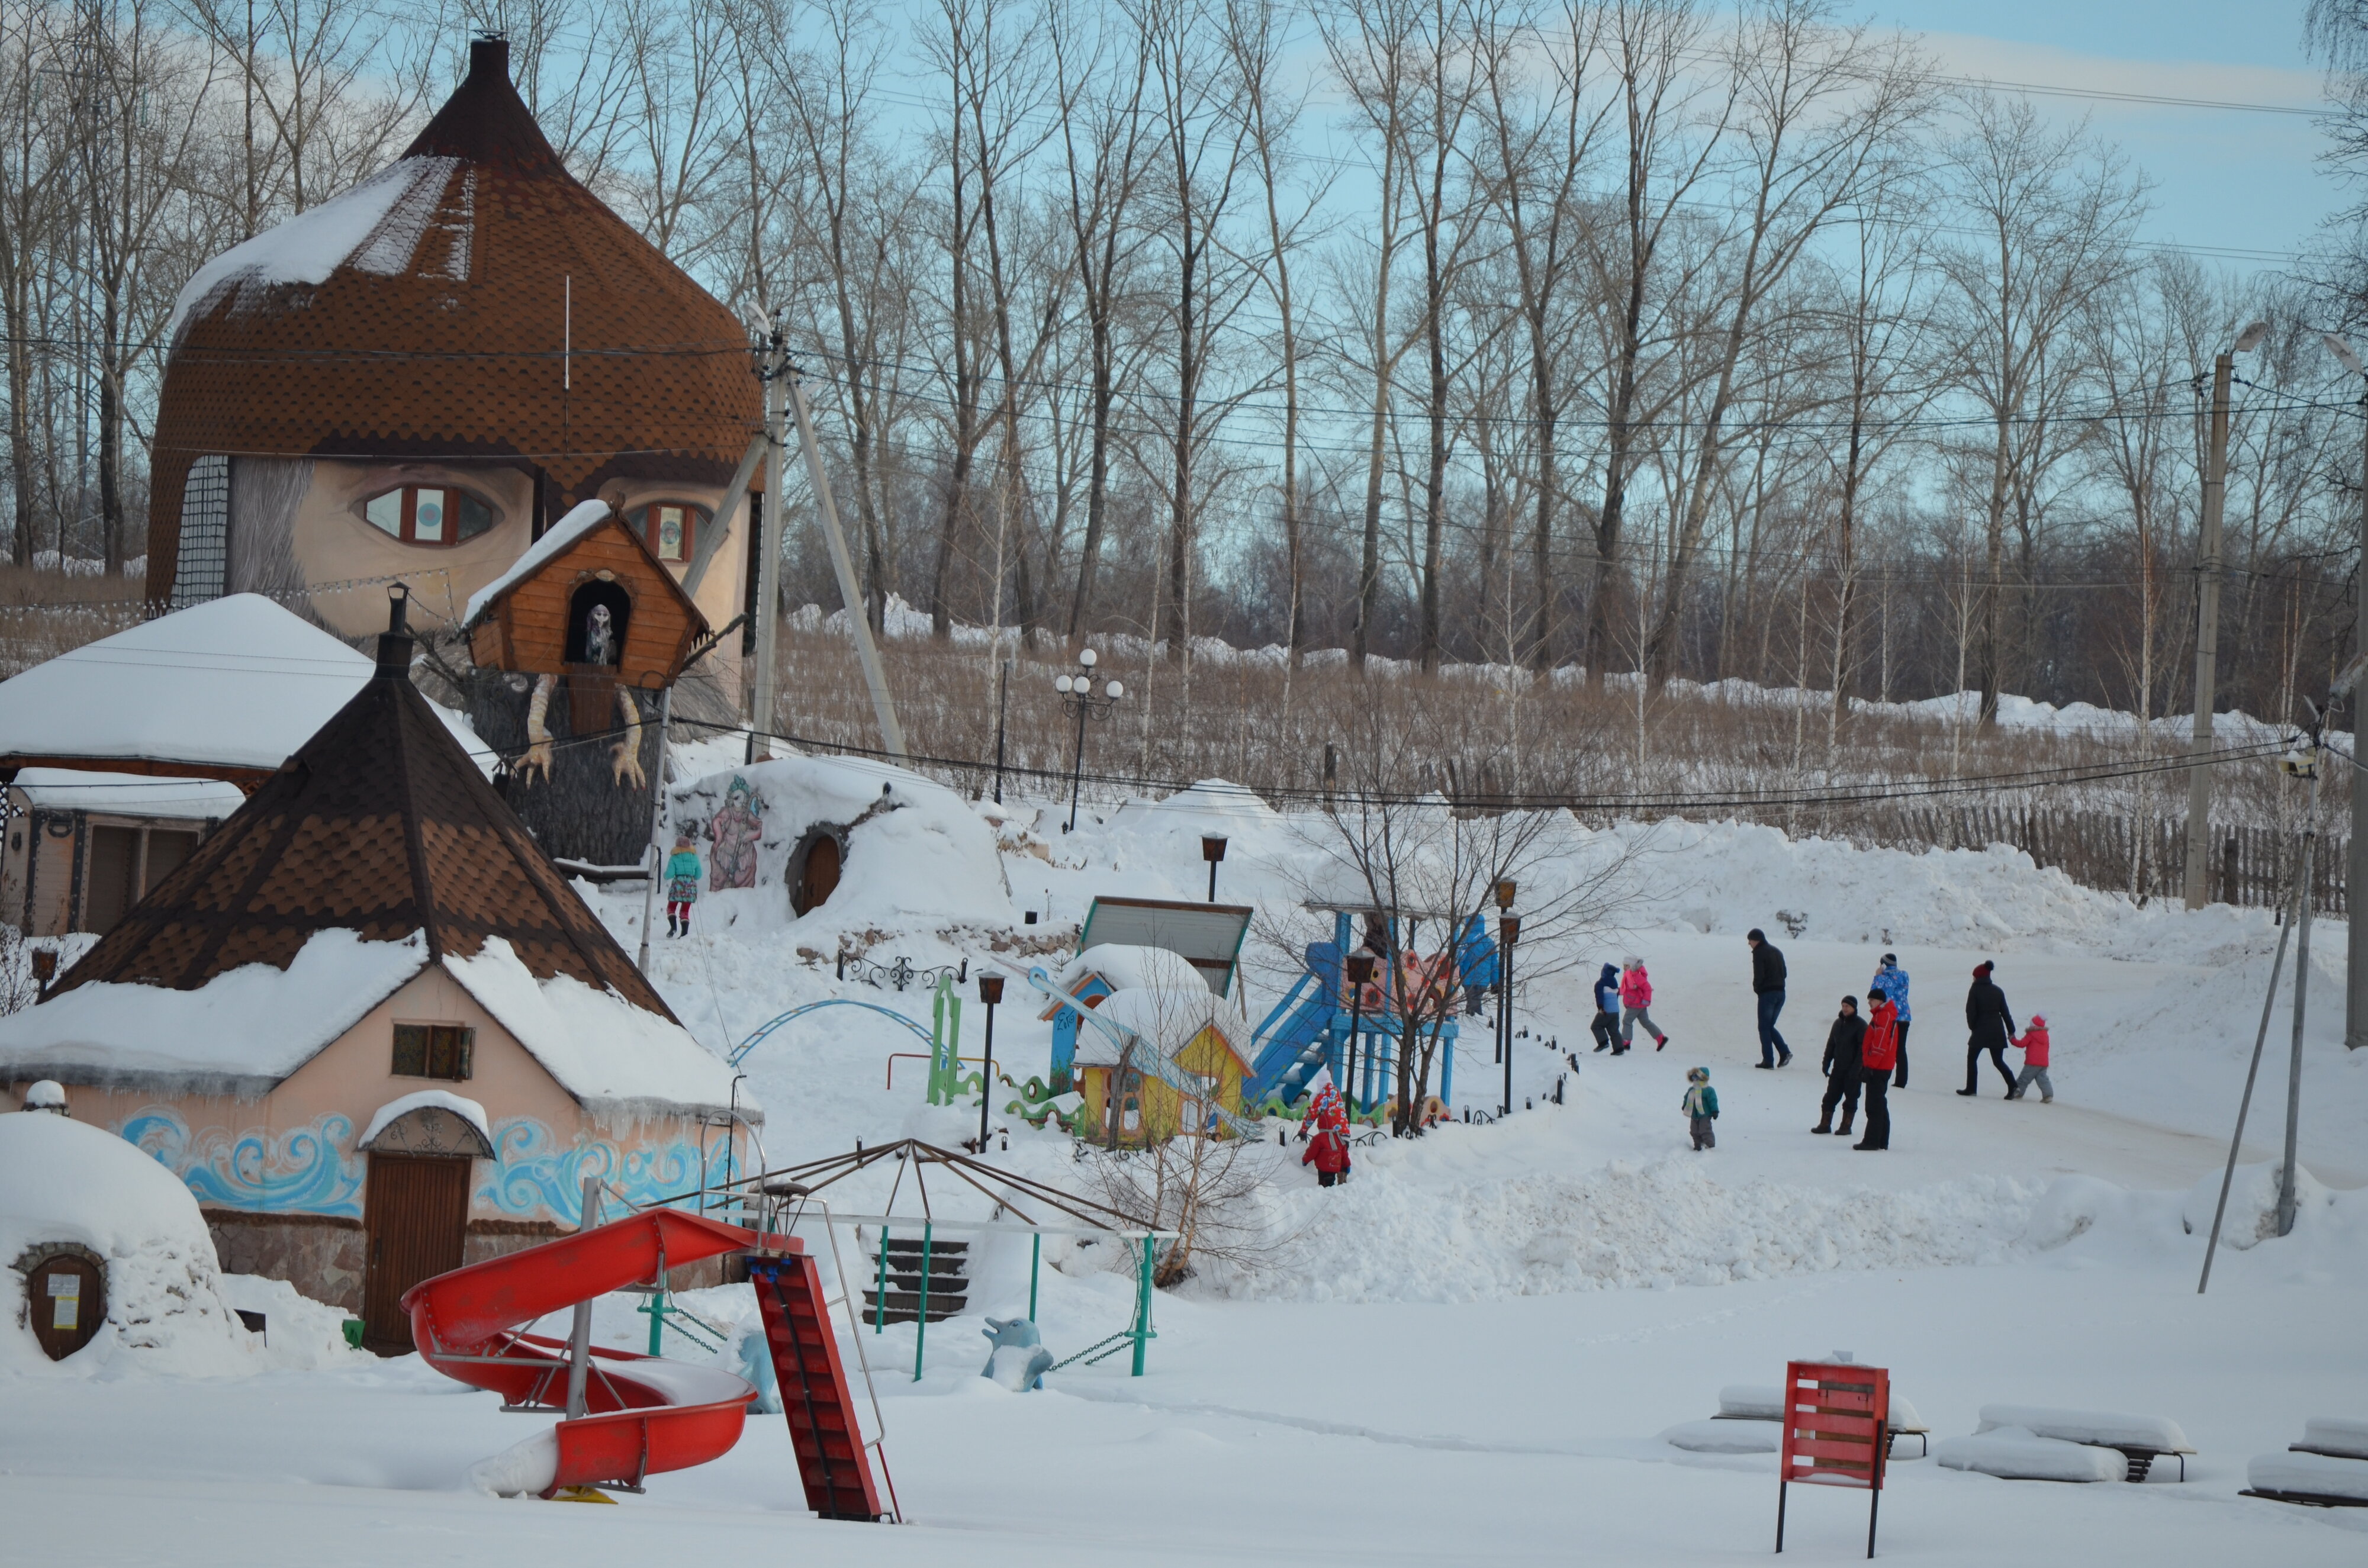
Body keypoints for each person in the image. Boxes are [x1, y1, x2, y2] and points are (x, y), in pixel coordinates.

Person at [1960, 960, 2018, 1097]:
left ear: (1978, 977)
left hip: (1980, 1030)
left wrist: (1972, 1026)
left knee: (1972, 1059)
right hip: (1997, 1030)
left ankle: (1971, 1089)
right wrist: (2011, 1030)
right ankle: (2014, 1087)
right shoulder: (1998, 991)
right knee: (1998, 1061)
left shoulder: (1974, 990)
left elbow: (1970, 1011)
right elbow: (2005, 1013)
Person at [1814, 996, 1867, 1136]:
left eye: (1847, 1006)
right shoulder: (1838, 1023)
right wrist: (1826, 1063)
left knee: (1851, 1098)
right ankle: (1825, 1124)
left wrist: (1857, 1069)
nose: (1845, 1009)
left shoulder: (1861, 1025)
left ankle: (1846, 1126)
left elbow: (1863, 1049)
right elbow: (1831, 1044)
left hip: (1853, 1071)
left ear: (1854, 1008)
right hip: (1838, 1068)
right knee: (1830, 1097)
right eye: (1843, 1006)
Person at [1856, 986, 1899, 1150]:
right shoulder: (1884, 1015)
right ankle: (1881, 1140)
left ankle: (1872, 1141)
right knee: (1879, 1103)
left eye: (1871, 1000)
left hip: (1880, 1066)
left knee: (1874, 1104)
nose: (1869, 1004)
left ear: (1880, 1001)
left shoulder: (1884, 1016)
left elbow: (1880, 1043)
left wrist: (1870, 1066)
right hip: (1880, 1065)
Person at [1747, 929, 1791, 1068]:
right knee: (1769, 1026)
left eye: (1750, 940)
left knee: (1764, 1028)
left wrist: (1758, 988)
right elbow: (1784, 973)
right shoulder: (1777, 951)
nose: (1749, 943)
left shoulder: (1759, 953)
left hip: (1768, 994)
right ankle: (1784, 1052)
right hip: (1781, 993)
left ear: (1757, 940)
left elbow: (1759, 974)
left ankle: (1768, 1060)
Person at [1870, 953, 1912, 1087]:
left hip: (1892, 1016)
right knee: (1901, 1048)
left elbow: (1875, 994)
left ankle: (1881, 1073)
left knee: (1887, 1046)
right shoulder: (1904, 975)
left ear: (1883, 964)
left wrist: (1878, 977)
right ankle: (1902, 1080)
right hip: (1905, 1015)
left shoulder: (1884, 979)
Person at [1619, 957, 1671, 1052]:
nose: (1624, 967)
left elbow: (1647, 988)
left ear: (1632, 966)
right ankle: (1661, 1038)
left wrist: (1646, 1000)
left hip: (1636, 1003)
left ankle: (1626, 1041)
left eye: (1626, 966)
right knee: (1645, 1022)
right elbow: (1628, 988)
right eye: (1624, 965)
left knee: (1627, 1021)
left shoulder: (1635, 976)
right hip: (1637, 1003)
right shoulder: (1629, 975)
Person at [2008, 1013, 2054, 1103]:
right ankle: (2048, 1095)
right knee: (2043, 1079)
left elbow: (2022, 1044)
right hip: (2043, 1062)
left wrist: (2012, 1040)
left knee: (2024, 1078)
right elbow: (2047, 1047)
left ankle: (2018, 1092)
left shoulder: (2032, 1034)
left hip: (2032, 1062)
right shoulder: (2046, 1035)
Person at [664, 833, 702, 936]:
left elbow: (670, 874)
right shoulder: (694, 857)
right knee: (685, 911)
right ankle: (684, 934)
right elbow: (699, 874)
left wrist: (665, 876)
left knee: (671, 907)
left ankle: (673, 928)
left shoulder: (674, 857)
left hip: (678, 884)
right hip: (690, 884)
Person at [1682, 1067, 1719, 1150]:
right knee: (1694, 1131)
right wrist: (1685, 1105)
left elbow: (1713, 1100)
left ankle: (1710, 1146)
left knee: (1705, 1129)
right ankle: (1698, 1146)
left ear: (1703, 1078)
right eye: (1694, 1077)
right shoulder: (1692, 1090)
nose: (1695, 1080)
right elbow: (1687, 1098)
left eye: (1697, 1077)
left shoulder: (1709, 1090)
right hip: (1694, 1115)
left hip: (1705, 1114)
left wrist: (1715, 1110)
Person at [1591, 962, 1622, 1054]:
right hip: (1616, 1011)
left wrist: (1601, 1008)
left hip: (1606, 1010)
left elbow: (1599, 996)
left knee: (1596, 1026)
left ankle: (1603, 1042)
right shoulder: (1615, 983)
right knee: (1614, 1030)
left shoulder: (1600, 984)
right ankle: (1619, 1049)